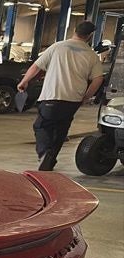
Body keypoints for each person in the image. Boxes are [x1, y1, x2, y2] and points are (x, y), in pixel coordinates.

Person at [18, 20, 105, 171]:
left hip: (53, 95)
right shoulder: (92, 55)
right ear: (90, 36)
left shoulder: (57, 47)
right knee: (61, 130)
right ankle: (50, 161)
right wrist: (87, 96)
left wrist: (24, 81)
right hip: (74, 99)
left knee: (42, 126)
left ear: (74, 30)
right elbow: (98, 79)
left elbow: (36, 66)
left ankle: (44, 153)